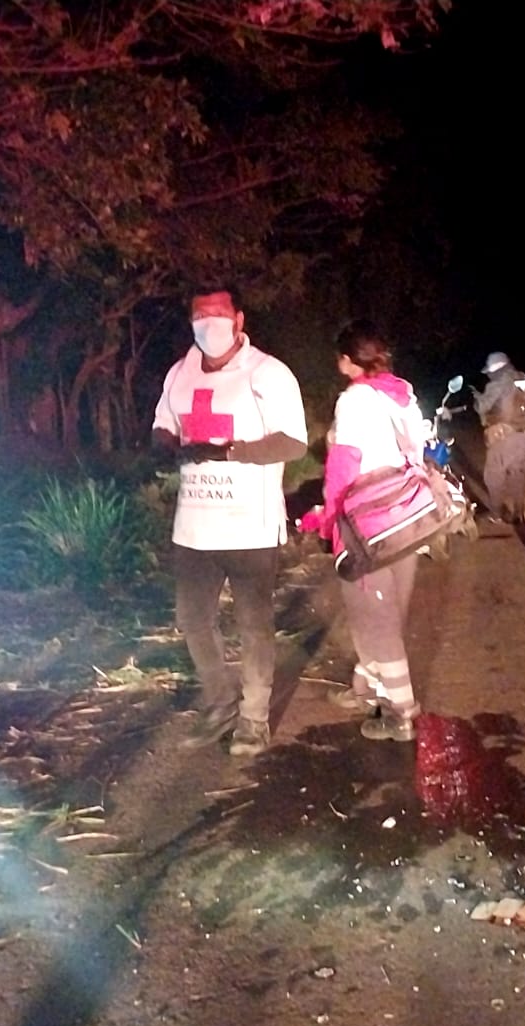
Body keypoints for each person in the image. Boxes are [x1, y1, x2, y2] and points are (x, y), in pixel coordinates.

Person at [152, 284, 308, 756]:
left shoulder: (268, 372)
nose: (209, 323)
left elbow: (293, 443)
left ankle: (254, 718)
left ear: (239, 320)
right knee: (192, 619)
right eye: (200, 315)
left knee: (253, 624)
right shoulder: (180, 373)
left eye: (218, 314)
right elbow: (164, 424)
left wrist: (228, 450)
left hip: (250, 525)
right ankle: (220, 702)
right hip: (194, 526)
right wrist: (162, 447)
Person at [299, 321, 427, 742]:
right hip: (407, 518)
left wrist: (329, 517)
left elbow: (343, 467)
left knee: (376, 619)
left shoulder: (354, 400)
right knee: (386, 610)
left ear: (349, 361)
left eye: (340, 355)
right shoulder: (402, 395)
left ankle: (400, 712)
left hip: (368, 525)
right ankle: (366, 688)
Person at [470, 350, 525, 523]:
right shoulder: (523, 379)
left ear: (497, 367)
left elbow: (483, 407)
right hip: (524, 435)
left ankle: (496, 514)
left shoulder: (498, 382)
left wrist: (476, 398)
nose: (489, 374)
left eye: (490, 370)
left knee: (493, 475)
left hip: (503, 436)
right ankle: (519, 513)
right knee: (517, 474)